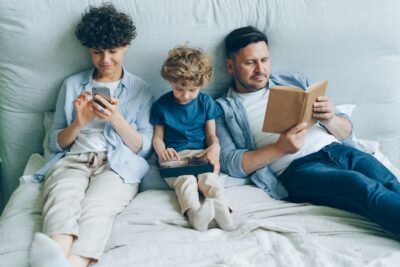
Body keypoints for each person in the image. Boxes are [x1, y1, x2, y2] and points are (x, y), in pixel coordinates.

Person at [216, 25, 400, 236]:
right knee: (361, 186)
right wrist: (280, 148)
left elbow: (347, 132)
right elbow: (231, 162)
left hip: (338, 150)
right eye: (250, 63)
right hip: (299, 169)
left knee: (390, 183)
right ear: (230, 66)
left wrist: (330, 118)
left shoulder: (294, 82)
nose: (260, 69)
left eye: (264, 60)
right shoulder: (222, 108)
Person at [29, 4, 154, 267]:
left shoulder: (141, 90)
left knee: (97, 211)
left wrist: (116, 119)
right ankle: (54, 256)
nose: (105, 59)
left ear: (126, 46)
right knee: (61, 200)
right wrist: (78, 123)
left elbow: (142, 148)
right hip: (74, 159)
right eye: (97, 52)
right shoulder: (72, 85)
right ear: (88, 49)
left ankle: (70, 263)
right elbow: (54, 143)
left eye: (113, 51)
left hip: (117, 164)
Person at [150, 46, 234, 231]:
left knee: (209, 179)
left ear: (201, 85)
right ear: (170, 80)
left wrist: (214, 149)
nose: (185, 95)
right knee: (186, 181)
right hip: (175, 158)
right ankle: (194, 214)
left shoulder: (205, 103)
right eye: (180, 89)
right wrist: (162, 151)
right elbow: (157, 137)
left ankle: (223, 212)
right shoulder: (161, 106)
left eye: (192, 90)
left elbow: (212, 135)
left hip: (200, 154)